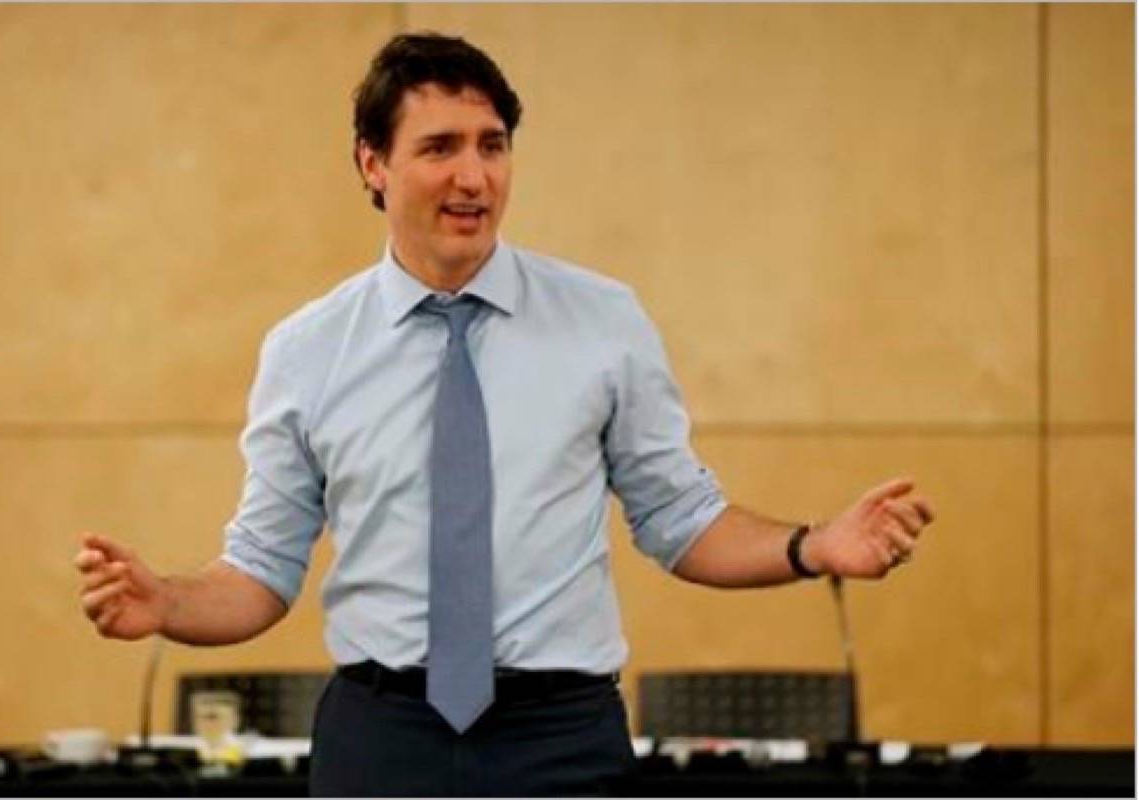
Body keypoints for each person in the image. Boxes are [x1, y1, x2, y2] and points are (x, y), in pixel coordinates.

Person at [75, 32, 935, 797]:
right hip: (383, 742)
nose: (473, 175)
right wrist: (169, 602)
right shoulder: (305, 351)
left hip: (559, 737)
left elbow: (680, 521)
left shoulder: (604, 322)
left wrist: (814, 545)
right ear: (371, 164)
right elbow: (261, 573)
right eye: (440, 147)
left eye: (493, 145)